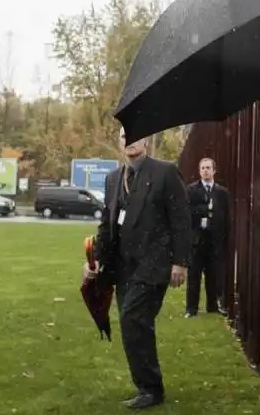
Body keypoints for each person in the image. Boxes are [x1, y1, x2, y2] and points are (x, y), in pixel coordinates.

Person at [85, 127, 192, 409]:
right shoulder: (112, 179)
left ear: (146, 140)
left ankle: (151, 388)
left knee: (133, 319)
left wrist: (180, 262)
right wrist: (95, 260)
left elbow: (181, 219)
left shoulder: (165, 173)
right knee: (134, 325)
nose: (130, 140)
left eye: (135, 135)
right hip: (122, 269)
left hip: (154, 264)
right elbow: (106, 226)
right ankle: (147, 386)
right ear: (119, 143)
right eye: (124, 136)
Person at [185, 157, 231, 317]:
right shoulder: (191, 190)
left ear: (214, 171)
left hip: (214, 241)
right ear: (199, 171)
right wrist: (203, 211)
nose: (205, 171)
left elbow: (226, 217)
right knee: (194, 277)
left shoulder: (222, 193)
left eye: (208, 168)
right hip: (197, 241)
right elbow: (187, 213)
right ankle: (191, 308)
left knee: (213, 276)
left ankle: (213, 306)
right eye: (202, 168)